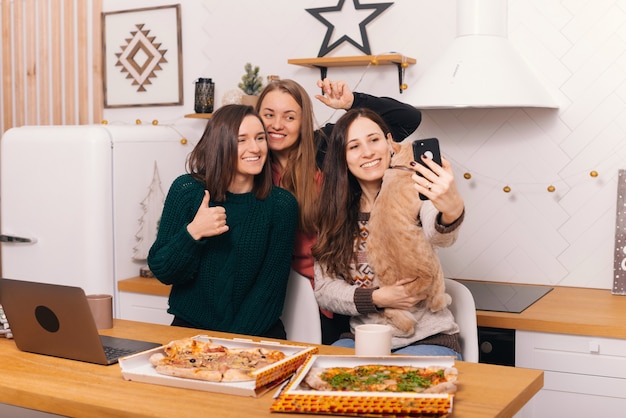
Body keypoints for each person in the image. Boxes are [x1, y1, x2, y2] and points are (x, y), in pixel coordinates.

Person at [256, 78, 422, 344]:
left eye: (289, 116)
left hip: (347, 288)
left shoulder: (325, 145)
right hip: (283, 292)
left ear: (304, 120)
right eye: (268, 115)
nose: (277, 125)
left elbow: (408, 119)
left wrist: (352, 103)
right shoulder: (252, 165)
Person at [311, 108, 466, 358]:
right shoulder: (334, 214)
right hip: (362, 340)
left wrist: (451, 209)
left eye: (374, 140)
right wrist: (377, 298)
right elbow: (324, 290)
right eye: (354, 146)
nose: (368, 151)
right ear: (343, 158)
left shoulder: (413, 190)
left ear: (389, 143)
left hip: (428, 341)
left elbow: (441, 234)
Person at [147, 105, 298, 339]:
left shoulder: (281, 205)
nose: (255, 148)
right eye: (242, 140)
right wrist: (193, 233)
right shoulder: (187, 191)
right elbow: (164, 271)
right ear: (220, 144)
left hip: (257, 335)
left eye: (260, 138)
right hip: (192, 332)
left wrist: (228, 349)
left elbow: (269, 291)